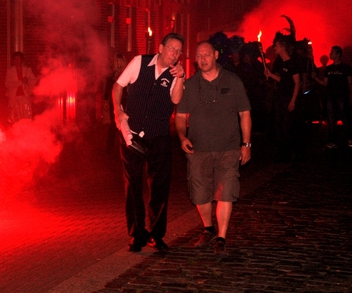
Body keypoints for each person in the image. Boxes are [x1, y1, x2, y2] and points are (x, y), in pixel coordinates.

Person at [175, 41, 251, 254]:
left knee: (226, 192)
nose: (202, 60)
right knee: (200, 195)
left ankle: (221, 237)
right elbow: (180, 116)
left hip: (228, 149)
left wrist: (246, 144)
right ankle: (208, 228)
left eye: (206, 55)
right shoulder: (189, 85)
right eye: (198, 56)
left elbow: (244, 113)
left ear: (216, 55)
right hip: (198, 149)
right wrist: (182, 136)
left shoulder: (232, 80)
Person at [112, 32, 185, 252]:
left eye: (178, 51)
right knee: (133, 185)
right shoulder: (139, 62)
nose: (174, 54)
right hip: (131, 135)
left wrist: (181, 77)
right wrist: (117, 111)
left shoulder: (176, 74)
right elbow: (117, 86)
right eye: (171, 48)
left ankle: (156, 234)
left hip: (159, 136)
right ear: (161, 48)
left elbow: (176, 100)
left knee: (159, 187)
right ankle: (137, 234)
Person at [264, 32, 301, 162]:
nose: (274, 48)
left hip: (288, 99)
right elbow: (283, 80)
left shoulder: (292, 63)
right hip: (280, 98)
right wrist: (270, 74)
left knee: (287, 127)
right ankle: (283, 155)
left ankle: (296, 152)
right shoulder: (281, 63)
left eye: (276, 46)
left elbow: (297, 83)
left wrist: (293, 101)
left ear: (282, 47)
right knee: (278, 126)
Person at [313, 46, 352, 148]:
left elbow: (350, 83)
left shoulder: (346, 67)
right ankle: (332, 140)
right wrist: (315, 78)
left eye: (332, 52)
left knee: (345, 117)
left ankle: (349, 138)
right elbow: (324, 83)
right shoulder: (328, 68)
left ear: (338, 55)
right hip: (330, 96)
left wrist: (351, 96)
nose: (330, 54)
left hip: (342, 96)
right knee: (331, 119)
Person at [104, 52, 127, 154]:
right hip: (113, 102)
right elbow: (107, 89)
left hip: (125, 101)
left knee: (124, 124)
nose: (118, 64)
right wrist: (105, 101)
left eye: (119, 62)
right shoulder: (112, 76)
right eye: (116, 62)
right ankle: (109, 149)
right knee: (113, 124)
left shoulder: (127, 74)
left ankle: (125, 146)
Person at [5, 51, 37, 123]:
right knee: (13, 117)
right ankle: (14, 133)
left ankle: (25, 132)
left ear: (22, 60)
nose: (16, 60)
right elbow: (7, 84)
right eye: (15, 59)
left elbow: (34, 80)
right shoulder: (10, 70)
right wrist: (20, 82)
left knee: (26, 117)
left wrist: (27, 81)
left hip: (25, 96)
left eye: (18, 59)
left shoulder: (27, 69)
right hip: (13, 97)